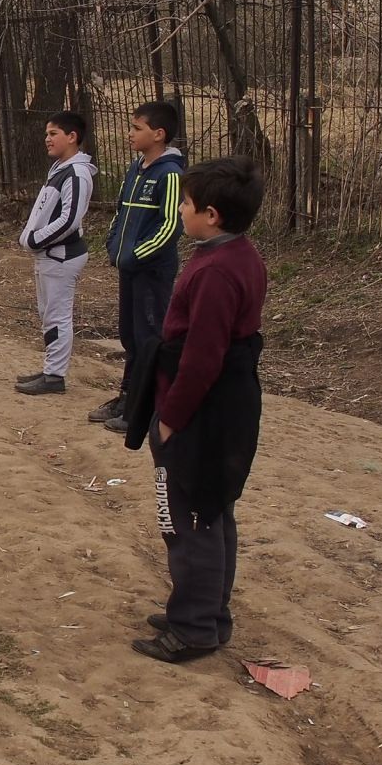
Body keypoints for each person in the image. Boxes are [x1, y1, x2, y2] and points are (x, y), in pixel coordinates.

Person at [123, 156, 269, 663]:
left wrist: (170, 419)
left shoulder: (216, 272)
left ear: (211, 214)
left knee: (189, 518)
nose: (180, 211)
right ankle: (207, 611)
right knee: (213, 511)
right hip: (226, 405)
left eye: (185, 204)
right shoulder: (238, 256)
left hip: (202, 411)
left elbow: (203, 357)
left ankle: (194, 629)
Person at [90, 100, 185, 433]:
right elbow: (119, 212)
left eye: (136, 128)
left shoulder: (170, 173)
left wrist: (135, 255)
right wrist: (114, 245)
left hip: (151, 272)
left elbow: (171, 226)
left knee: (149, 337)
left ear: (158, 134)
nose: (130, 133)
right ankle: (127, 396)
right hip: (129, 268)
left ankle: (144, 410)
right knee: (130, 335)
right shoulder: (136, 168)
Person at [14, 111, 96, 395]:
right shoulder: (61, 170)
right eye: (47, 133)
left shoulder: (76, 173)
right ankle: (51, 368)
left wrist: (36, 239)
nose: (47, 139)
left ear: (72, 137)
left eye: (53, 134)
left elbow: (70, 219)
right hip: (49, 255)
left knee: (58, 315)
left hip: (61, 255)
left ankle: (55, 376)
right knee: (48, 314)